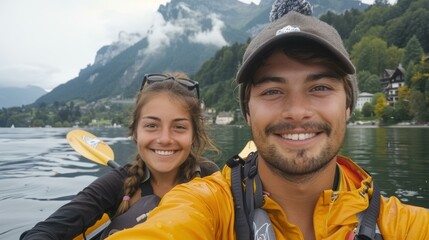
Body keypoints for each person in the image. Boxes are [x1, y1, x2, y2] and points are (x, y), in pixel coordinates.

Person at [106, 0, 429, 240]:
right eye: (273, 91)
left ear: (348, 105)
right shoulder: (202, 204)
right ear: (247, 111)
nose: (297, 111)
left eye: (319, 87)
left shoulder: (403, 224)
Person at [20, 72, 220, 240]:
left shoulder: (211, 178)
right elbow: (43, 232)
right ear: (135, 132)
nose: (165, 139)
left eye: (179, 127)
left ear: (193, 134)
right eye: (151, 125)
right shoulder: (116, 184)